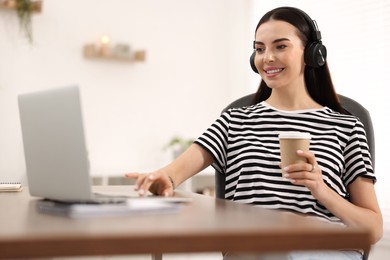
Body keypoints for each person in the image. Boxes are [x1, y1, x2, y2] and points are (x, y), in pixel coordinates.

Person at [126, 6, 383, 259]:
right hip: (255, 248)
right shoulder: (234, 120)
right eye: (260, 49)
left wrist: (321, 189)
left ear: (312, 53)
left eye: (280, 46)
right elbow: (174, 174)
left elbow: (372, 230)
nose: (267, 57)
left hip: (325, 248)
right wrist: (163, 179)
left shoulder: (346, 126)